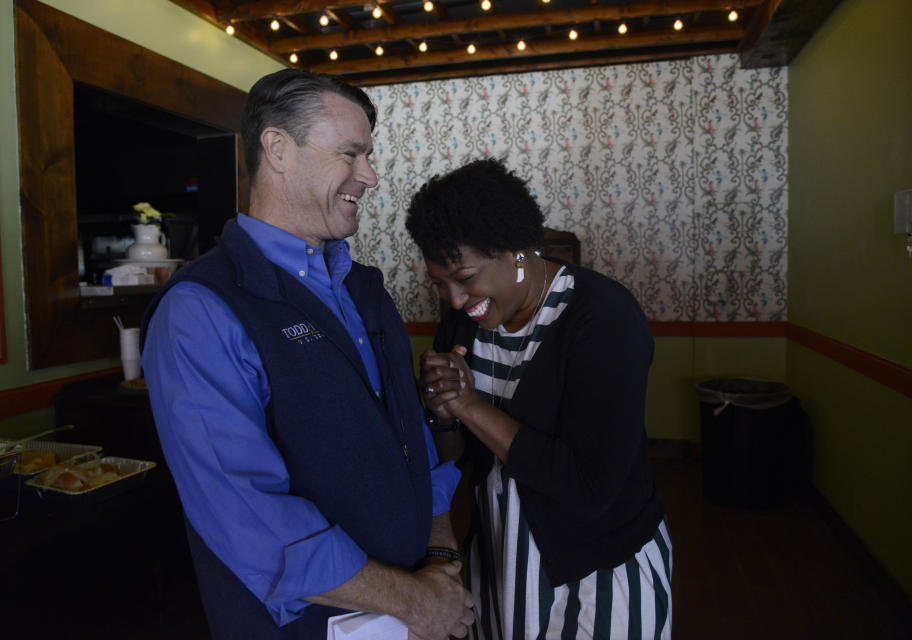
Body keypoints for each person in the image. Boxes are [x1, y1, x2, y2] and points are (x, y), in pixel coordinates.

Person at [141, 69, 473, 640]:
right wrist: (413, 601)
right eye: (350, 154)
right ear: (277, 148)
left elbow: (411, 439)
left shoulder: (365, 287)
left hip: (415, 604)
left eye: (368, 155)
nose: (369, 176)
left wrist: (439, 556)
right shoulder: (200, 310)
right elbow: (248, 515)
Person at [406, 158, 672, 639]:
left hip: (599, 567)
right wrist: (442, 409)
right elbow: (459, 458)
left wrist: (469, 405)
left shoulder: (601, 318)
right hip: (502, 554)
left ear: (516, 249)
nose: (455, 300)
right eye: (439, 284)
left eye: (464, 278)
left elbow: (590, 486)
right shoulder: (464, 324)